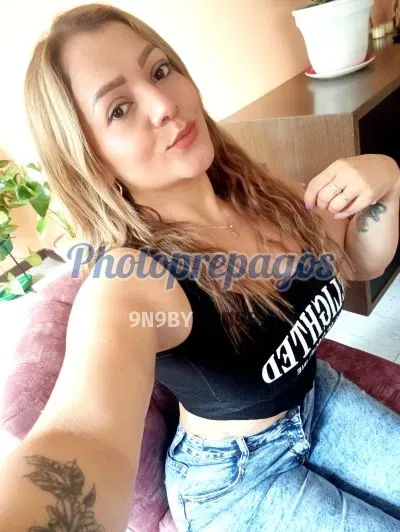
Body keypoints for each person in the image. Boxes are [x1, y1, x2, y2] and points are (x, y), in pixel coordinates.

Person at [1, 3, 400, 531]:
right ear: (89, 159)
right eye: (118, 109)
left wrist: (387, 180)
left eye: (160, 70)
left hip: (316, 398)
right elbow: (83, 436)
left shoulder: (257, 191)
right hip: (234, 481)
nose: (164, 104)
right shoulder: (131, 279)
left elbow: (359, 261)